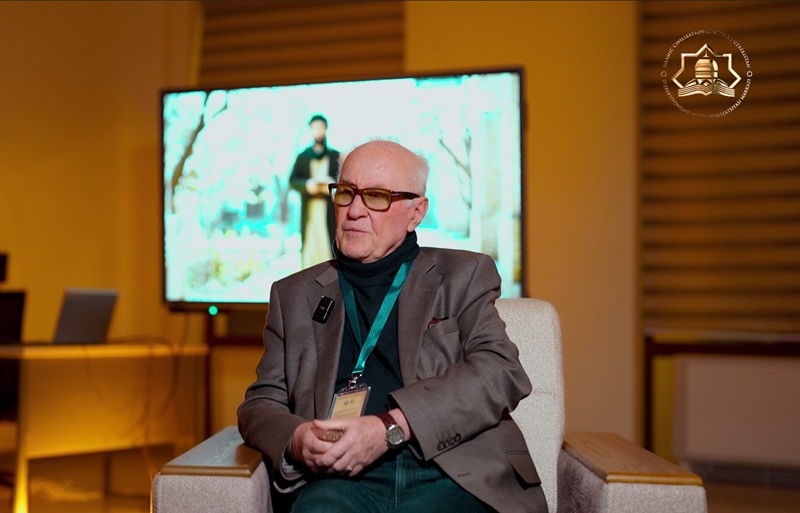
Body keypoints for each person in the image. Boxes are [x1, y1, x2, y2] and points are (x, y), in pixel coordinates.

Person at [238, 140, 547, 513]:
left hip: (451, 470)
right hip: (339, 479)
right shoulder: (293, 295)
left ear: (416, 212)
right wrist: (297, 439)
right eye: (346, 192)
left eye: (376, 197)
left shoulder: (463, 275)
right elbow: (260, 403)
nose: (354, 211)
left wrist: (390, 427)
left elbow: (500, 371)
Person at [289, 114, 339, 268]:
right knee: (310, 245)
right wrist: (306, 185)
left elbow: (344, 182)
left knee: (328, 244)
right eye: (315, 128)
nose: (318, 131)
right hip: (310, 209)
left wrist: (331, 185)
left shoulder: (335, 156)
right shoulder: (303, 157)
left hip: (329, 209)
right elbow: (293, 181)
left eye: (321, 127)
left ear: (326, 129)